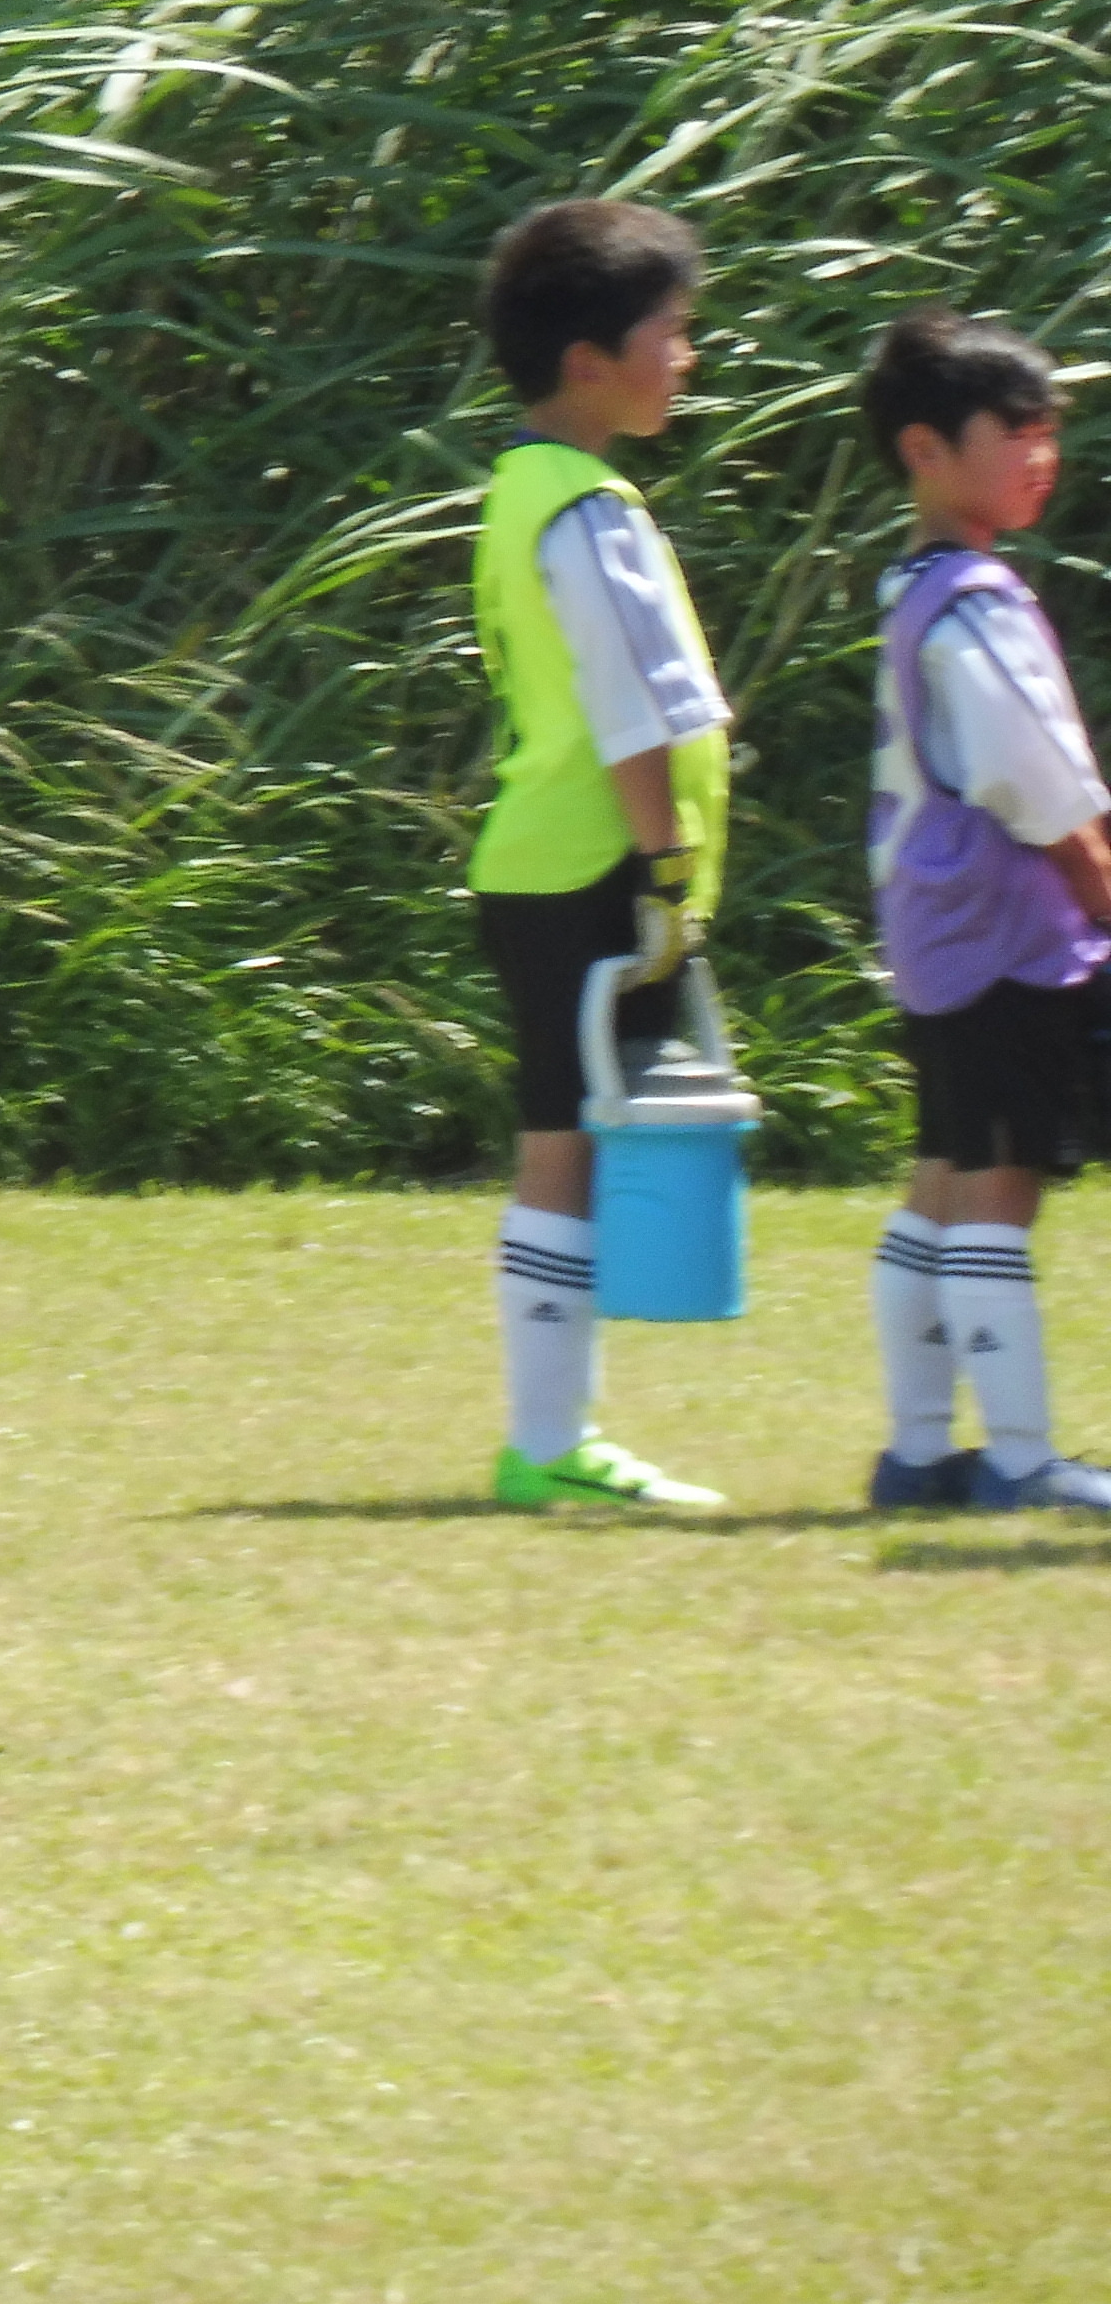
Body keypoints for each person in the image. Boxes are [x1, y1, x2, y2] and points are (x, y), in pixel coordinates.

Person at [465, 201, 735, 1512]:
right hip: (594, 870)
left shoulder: (529, 489)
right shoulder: (587, 511)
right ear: (589, 361)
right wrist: (667, 871)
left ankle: (551, 1441)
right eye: (668, 333)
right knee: (567, 1146)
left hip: (543, 863)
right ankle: (551, 1443)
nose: (687, 355)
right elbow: (633, 707)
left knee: (557, 1136)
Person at [859, 306, 1111, 1514]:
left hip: (933, 935)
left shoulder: (912, 586)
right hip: (1006, 938)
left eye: (1047, 430)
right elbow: (1039, 787)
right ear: (926, 448)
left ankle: (917, 1451)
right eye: (1013, 431)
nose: (1039, 454)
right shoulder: (978, 603)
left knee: (948, 1174)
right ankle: (1019, 1461)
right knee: (1003, 1185)